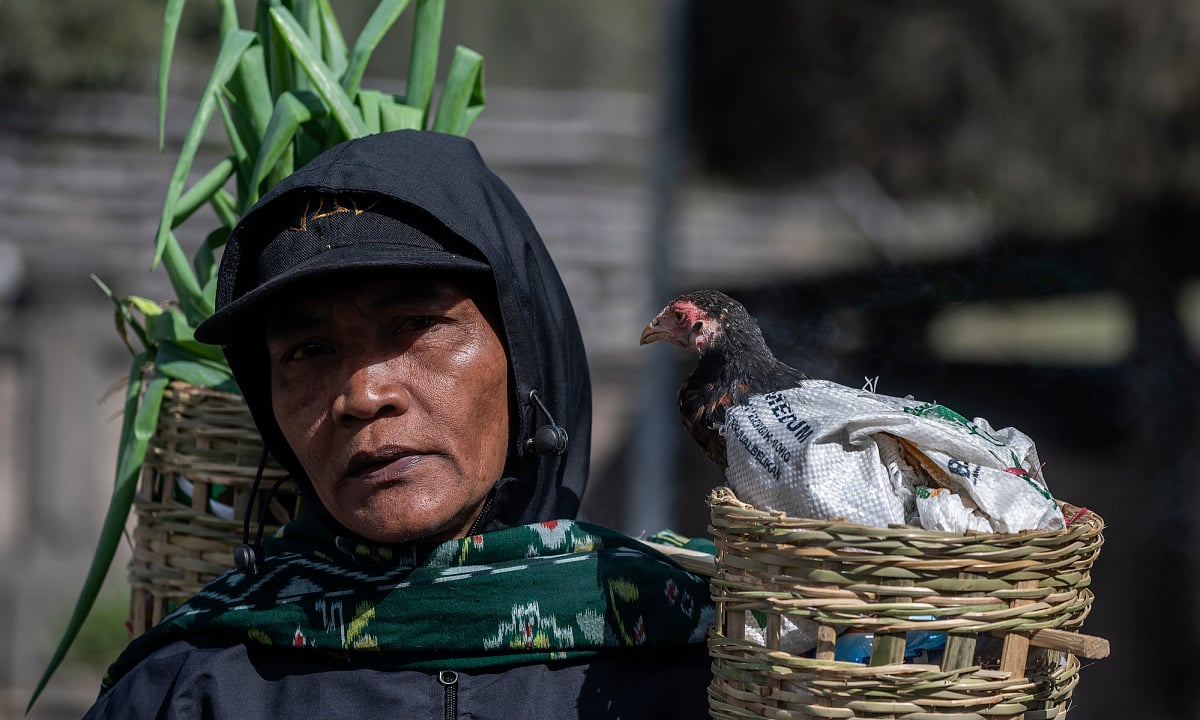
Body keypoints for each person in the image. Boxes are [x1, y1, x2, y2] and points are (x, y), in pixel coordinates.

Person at [82, 130, 715, 719]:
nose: (363, 394)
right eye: (307, 351)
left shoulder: (700, 661)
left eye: (416, 325)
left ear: (525, 355)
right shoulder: (190, 690)